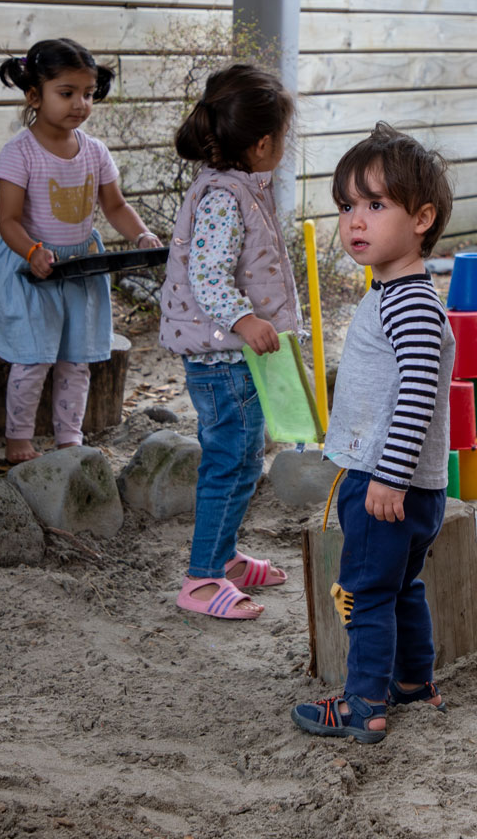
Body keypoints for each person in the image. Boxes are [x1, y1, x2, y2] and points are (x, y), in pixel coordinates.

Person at [292, 124, 454, 744]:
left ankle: (363, 703)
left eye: (376, 205)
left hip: (386, 481)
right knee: (400, 586)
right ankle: (413, 681)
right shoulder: (397, 294)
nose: (355, 220)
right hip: (415, 485)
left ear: (422, 219)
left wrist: (388, 475)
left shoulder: (408, 303)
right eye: (346, 206)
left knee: (365, 592)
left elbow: (418, 391)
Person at [157, 64, 302, 622]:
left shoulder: (239, 188)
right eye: (283, 137)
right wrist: (244, 319)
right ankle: (200, 580)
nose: (284, 147)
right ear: (263, 143)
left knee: (244, 461)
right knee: (228, 464)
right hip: (222, 362)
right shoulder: (223, 196)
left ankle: (224, 558)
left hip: (236, 360)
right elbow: (209, 276)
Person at [0, 39, 160, 465]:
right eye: (66, 93)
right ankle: (18, 439)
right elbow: (8, 220)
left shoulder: (95, 151)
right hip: (34, 270)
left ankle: (69, 436)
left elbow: (115, 206)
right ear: (35, 95)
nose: (80, 104)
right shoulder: (19, 153)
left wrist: (141, 235)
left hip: (82, 268)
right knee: (33, 358)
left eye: (87, 93)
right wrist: (32, 251)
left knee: (77, 358)